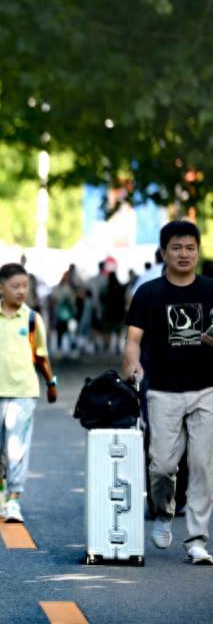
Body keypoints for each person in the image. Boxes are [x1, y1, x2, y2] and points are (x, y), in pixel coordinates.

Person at [124, 220, 213, 565]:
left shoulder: (210, 290)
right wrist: (133, 367)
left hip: (206, 388)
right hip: (161, 389)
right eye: (176, 247)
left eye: (190, 247)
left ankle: (197, 540)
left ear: (198, 251)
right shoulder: (148, 294)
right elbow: (133, 341)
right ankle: (163, 513)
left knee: (204, 465)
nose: (184, 253)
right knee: (162, 464)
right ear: (163, 252)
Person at [0, 263, 58, 523]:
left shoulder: (32, 319)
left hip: (23, 392)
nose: (21, 292)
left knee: (17, 447)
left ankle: (13, 500)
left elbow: (42, 356)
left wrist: (51, 383)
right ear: (0, 288)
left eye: (25, 286)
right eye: (15, 286)